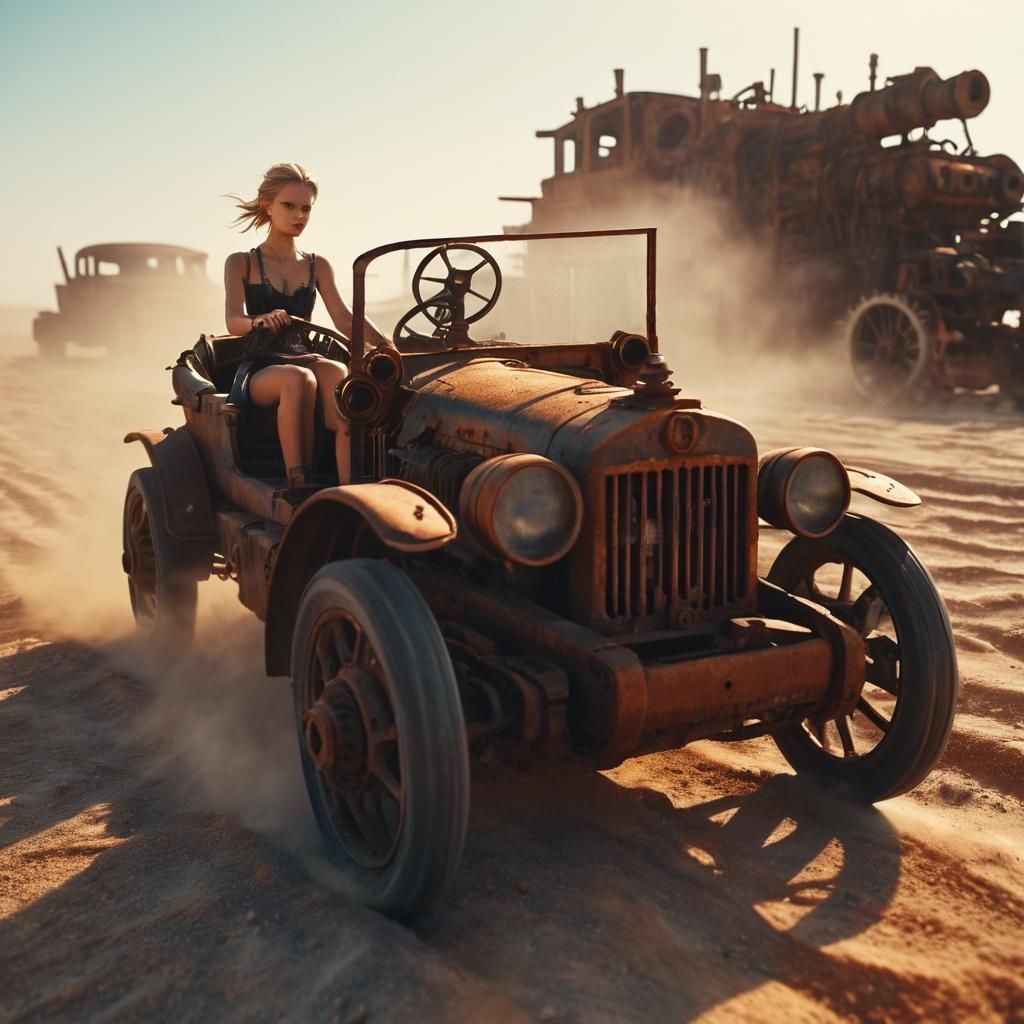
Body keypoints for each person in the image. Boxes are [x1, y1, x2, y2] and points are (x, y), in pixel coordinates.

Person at [223, 163, 388, 487]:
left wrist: (387, 345)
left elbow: (344, 319)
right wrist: (260, 320)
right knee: (298, 380)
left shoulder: (318, 265)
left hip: (305, 357)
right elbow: (233, 322)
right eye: (289, 206)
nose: (299, 215)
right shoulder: (241, 262)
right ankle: (299, 486)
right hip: (261, 368)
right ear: (268, 205)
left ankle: (349, 491)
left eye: (306, 208)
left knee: (340, 376)